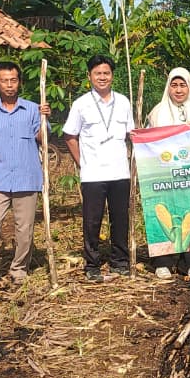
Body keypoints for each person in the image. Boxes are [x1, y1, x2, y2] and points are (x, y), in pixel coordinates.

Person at [0, 62, 51, 289]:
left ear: (19, 82)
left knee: (24, 228)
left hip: (27, 177)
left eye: (13, 80)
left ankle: (19, 269)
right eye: (4, 80)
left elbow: (42, 139)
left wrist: (44, 118)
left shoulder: (34, 109)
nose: (9, 85)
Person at [63, 55, 135, 283]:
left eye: (106, 73)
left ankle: (120, 261)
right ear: (90, 76)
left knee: (120, 218)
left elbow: (131, 135)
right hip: (93, 174)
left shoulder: (123, 102)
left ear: (112, 76)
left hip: (120, 172)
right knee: (92, 221)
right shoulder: (81, 104)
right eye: (97, 73)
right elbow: (70, 136)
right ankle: (92, 264)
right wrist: (82, 163)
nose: (102, 77)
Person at [146, 68, 190, 279]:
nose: (178, 90)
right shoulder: (158, 113)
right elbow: (148, 141)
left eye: (182, 85)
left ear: (189, 86)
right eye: (174, 85)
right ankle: (163, 260)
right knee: (165, 214)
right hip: (165, 175)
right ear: (168, 87)